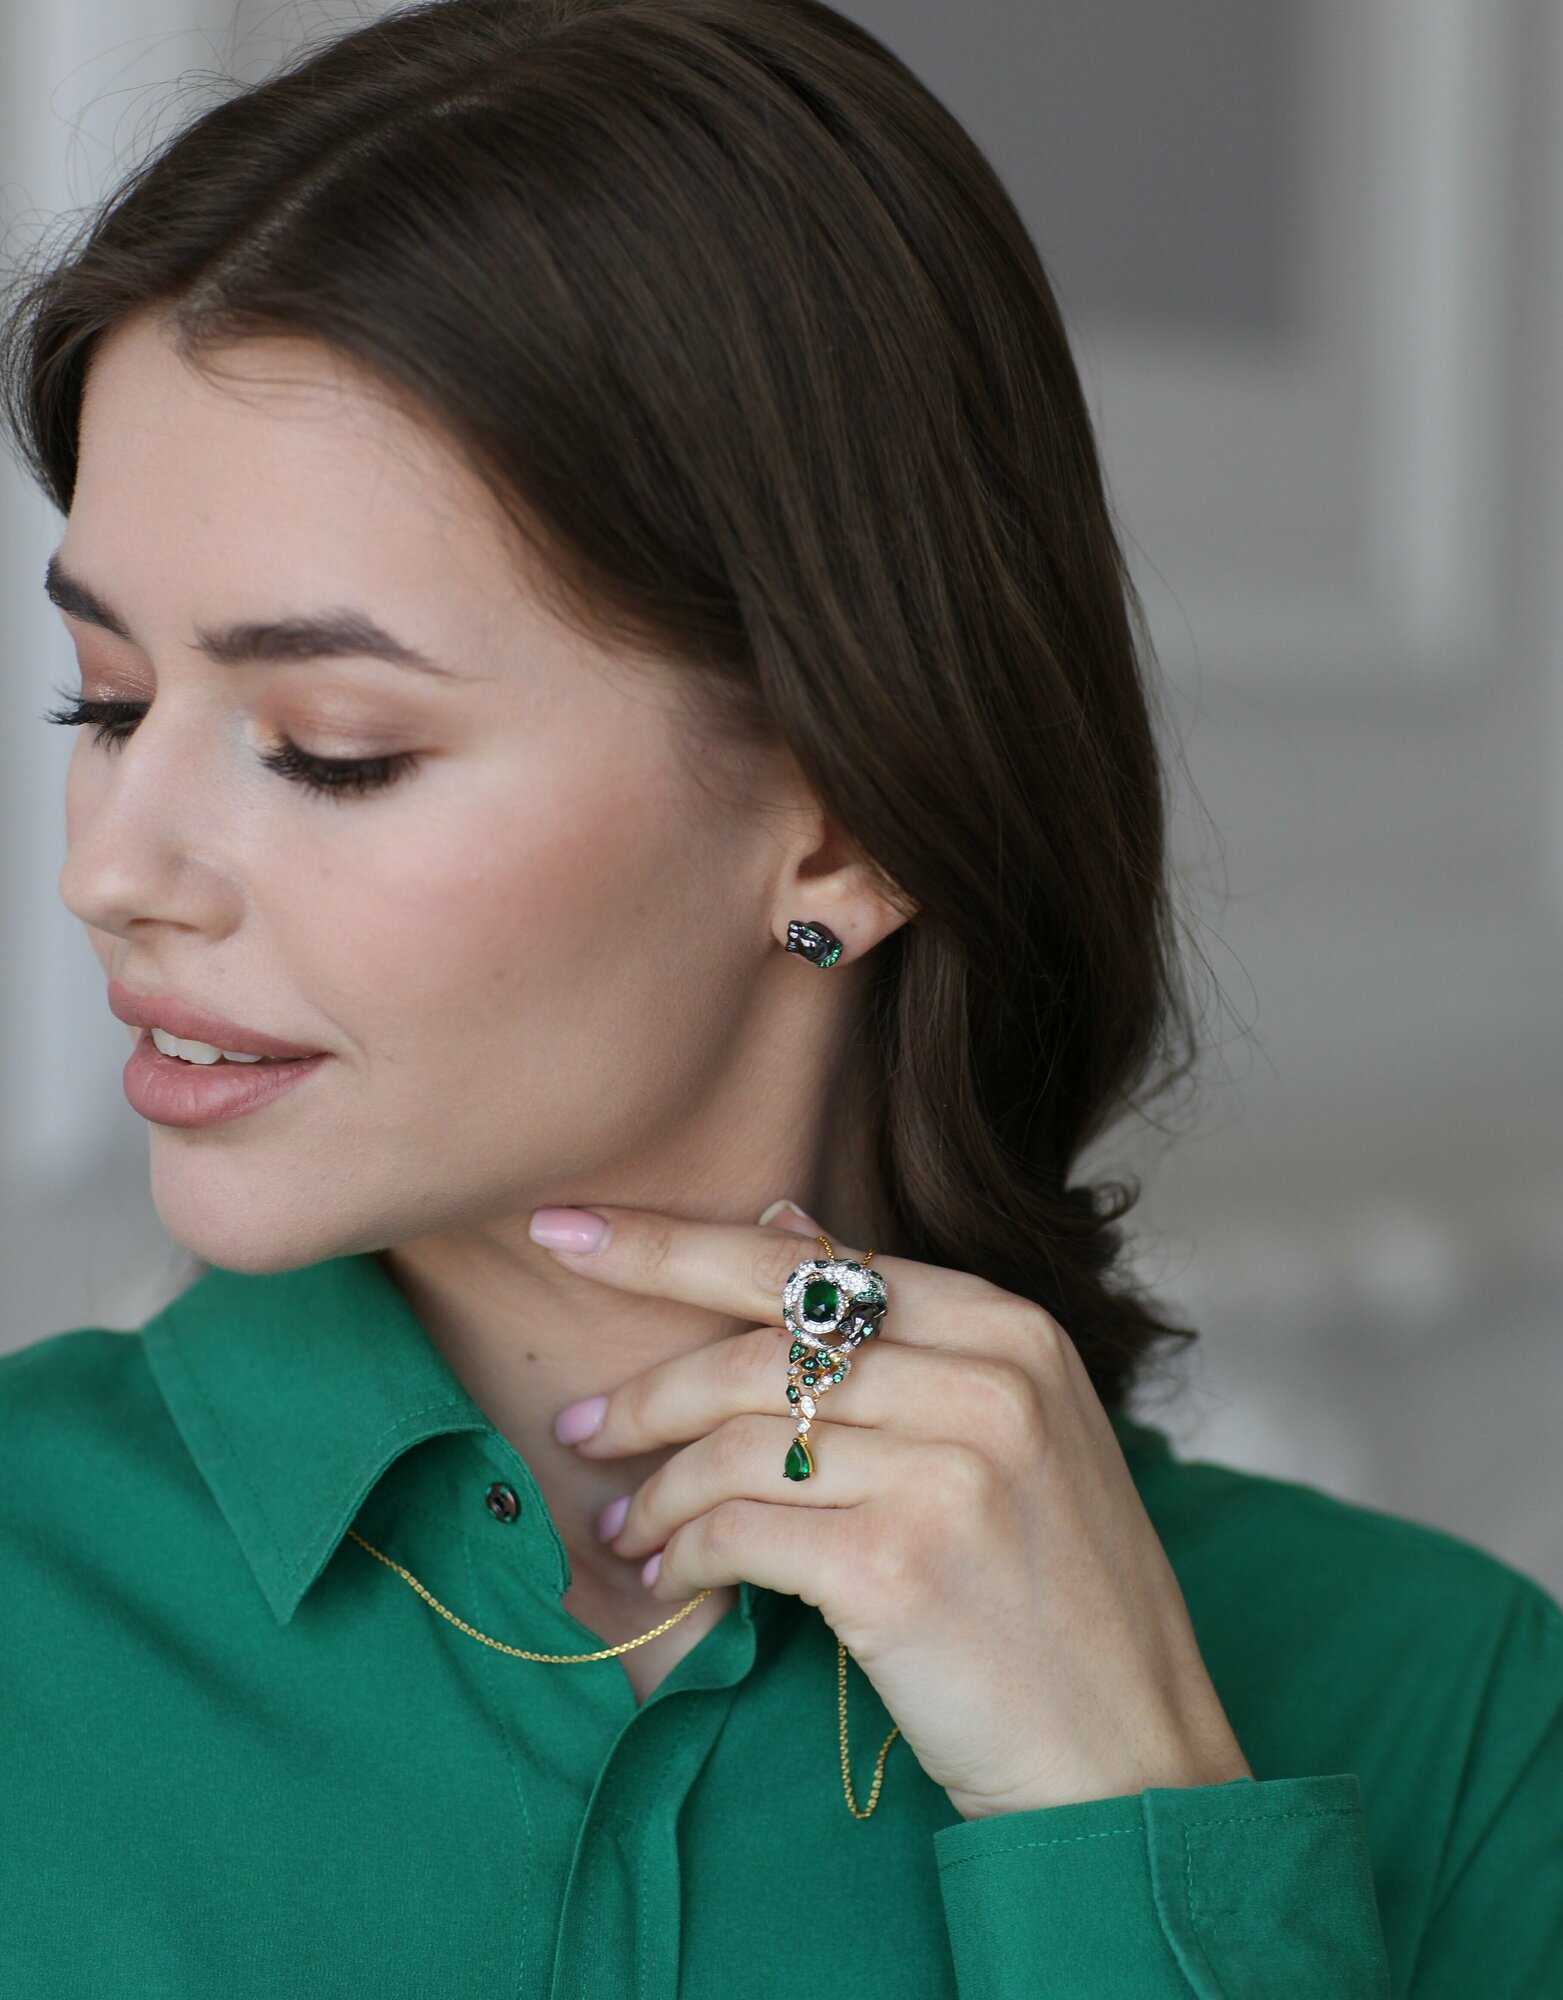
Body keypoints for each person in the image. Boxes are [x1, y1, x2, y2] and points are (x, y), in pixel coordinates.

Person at [1, 1, 1558, 1993]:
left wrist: (1124, 1813)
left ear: (846, 821)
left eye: (332, 749)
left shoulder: (1451, 1712)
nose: (110, 870)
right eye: (107, 703)